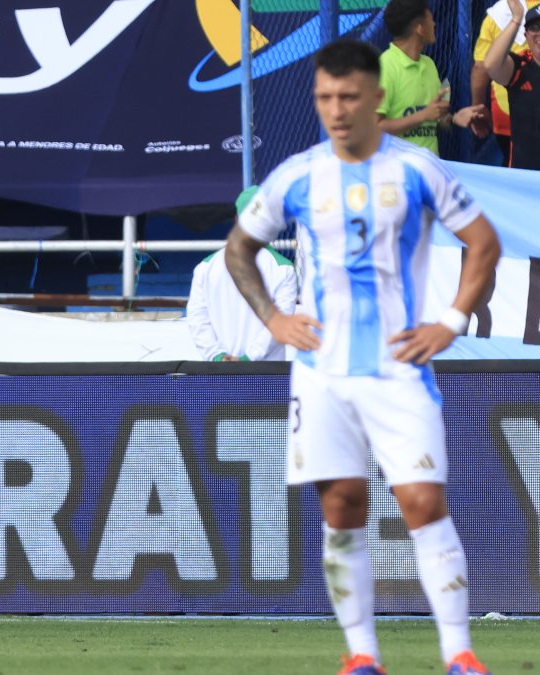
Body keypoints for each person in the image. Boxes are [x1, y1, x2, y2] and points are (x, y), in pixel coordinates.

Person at [225, 39, 499, 675]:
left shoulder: (416, 170)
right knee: (341, 507)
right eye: (325, 98)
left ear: (377, 97)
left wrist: (452, 321)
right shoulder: (296, 174)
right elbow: (239, 249)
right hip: (322, 372)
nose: (337, 110)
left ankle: (459, 653)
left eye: (348, 97)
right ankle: (363, 657)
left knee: (423, 505)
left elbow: (481, 243)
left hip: (400, 366)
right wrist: (272, 317)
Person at [186, 185, 297, 362]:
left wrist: (217, 357)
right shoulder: (283, 268)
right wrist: (247, 359)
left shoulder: (206, 267)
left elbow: (196, 319)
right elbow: (280, 322)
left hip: (220, 374)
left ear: (237, 219)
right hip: (268, 376)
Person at [377, 0, 485, 155]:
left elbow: (433, 118)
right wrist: (423, 115)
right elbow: (374, 128)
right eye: (430, 19)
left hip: (431, 169)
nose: (434, 24)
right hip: (398, 173)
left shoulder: (429, 65)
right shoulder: (384, 67)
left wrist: (454, 118)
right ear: (419, 28)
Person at [472, 0, 540, 165]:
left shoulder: (496, 14)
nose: (539, 34)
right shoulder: (521, 68)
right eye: (534, 28)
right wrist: (516, 19)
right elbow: (488, 65)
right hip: (524, 177)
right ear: (526, 36)